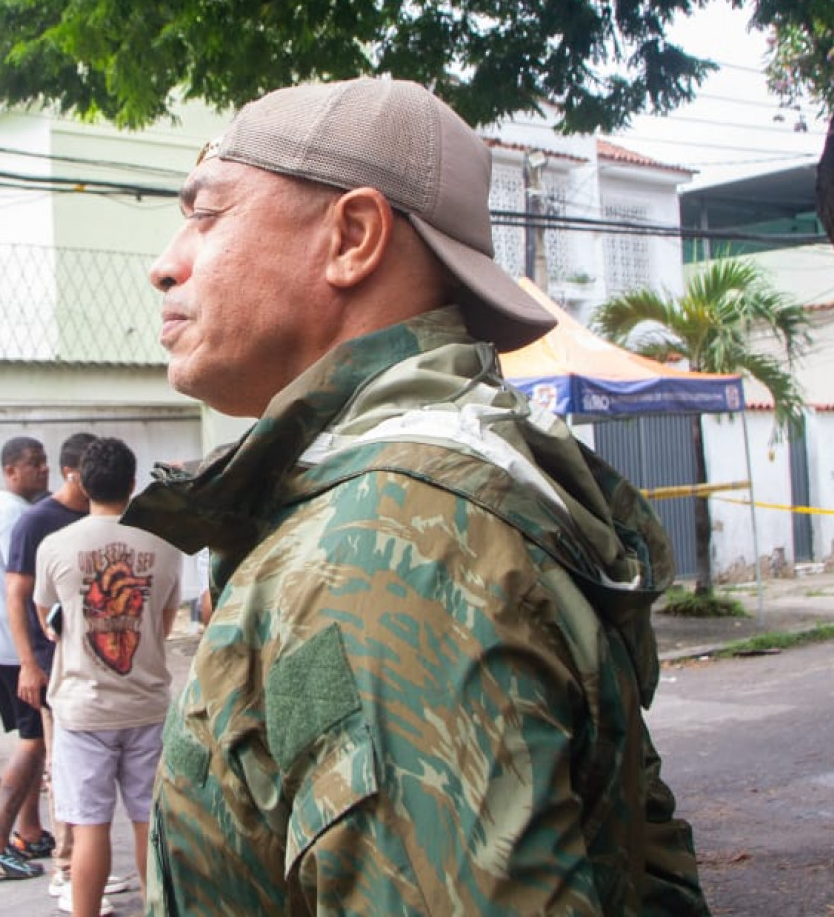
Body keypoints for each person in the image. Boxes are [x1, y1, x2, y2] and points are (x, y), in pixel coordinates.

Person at [126, 77, 706, 913]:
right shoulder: (415, 501)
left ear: (353, 238)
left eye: (207, 213)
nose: (166, 263)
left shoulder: (389, 552)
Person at [35, 437, 181, 917]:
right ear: (132, 484)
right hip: (146, 704)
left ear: (81, 483)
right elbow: (162, 625)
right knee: (147, 822)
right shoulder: (164, 543)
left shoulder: (55, 545)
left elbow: (48, 622)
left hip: (83, 709)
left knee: (89, 827)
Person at [8, 431, 135, 907]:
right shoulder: (38, 523)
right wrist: (28, 662)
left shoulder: (105, 522)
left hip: (110, 674)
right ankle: (66, 871)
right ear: (75, 474)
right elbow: (19, 596)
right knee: (67, 775)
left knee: (94, 786)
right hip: (57, 669)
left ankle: (88, 870)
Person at [0, 436, 53, 881]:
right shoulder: (17, 516)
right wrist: (30, 659)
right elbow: (23, 590)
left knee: (31, 737)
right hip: (14, 648)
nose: (43, 469)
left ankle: (30, 830)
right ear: (9, 470)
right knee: (33, 741)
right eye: (33, 463)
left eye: (45, 462)